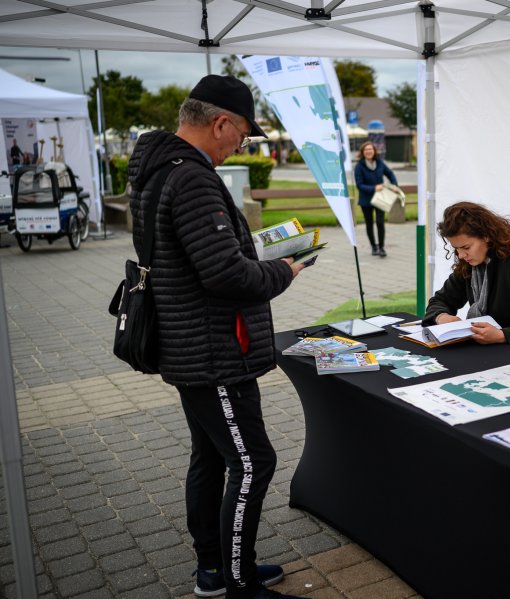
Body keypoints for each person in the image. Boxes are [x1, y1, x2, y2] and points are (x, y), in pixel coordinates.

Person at [128, 75, 311, 599]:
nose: (242, 145)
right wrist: (284, 271)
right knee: (254, 462)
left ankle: (215, 568)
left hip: (190, 344)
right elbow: (226, 275)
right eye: (244, 136)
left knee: (211, 457)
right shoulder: (193, 178)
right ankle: (237, 580)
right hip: (213, 349)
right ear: (220, 122)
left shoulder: (158, 171)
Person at [423, 201, 510, 359]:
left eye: (466, 247)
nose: (461, 256)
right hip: (495, 351)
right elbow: (440, 300)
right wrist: (441, 317)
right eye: (456, 249)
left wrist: (501, 335)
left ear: (486, 236)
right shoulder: (470, 264)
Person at [353, 140, 397, 257]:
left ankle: (381, 248)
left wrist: (394, 185)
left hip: (380, 198)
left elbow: (390, 174)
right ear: (363, 152)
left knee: (380, 222)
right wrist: (374, 188)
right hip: (365, 200)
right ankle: (374, 247)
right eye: (366, 150)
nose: (368, 151)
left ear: (374, 151)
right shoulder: (359, 166)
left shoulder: (380, 163)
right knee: (369, 224)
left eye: (370, 149)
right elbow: (359, 185)